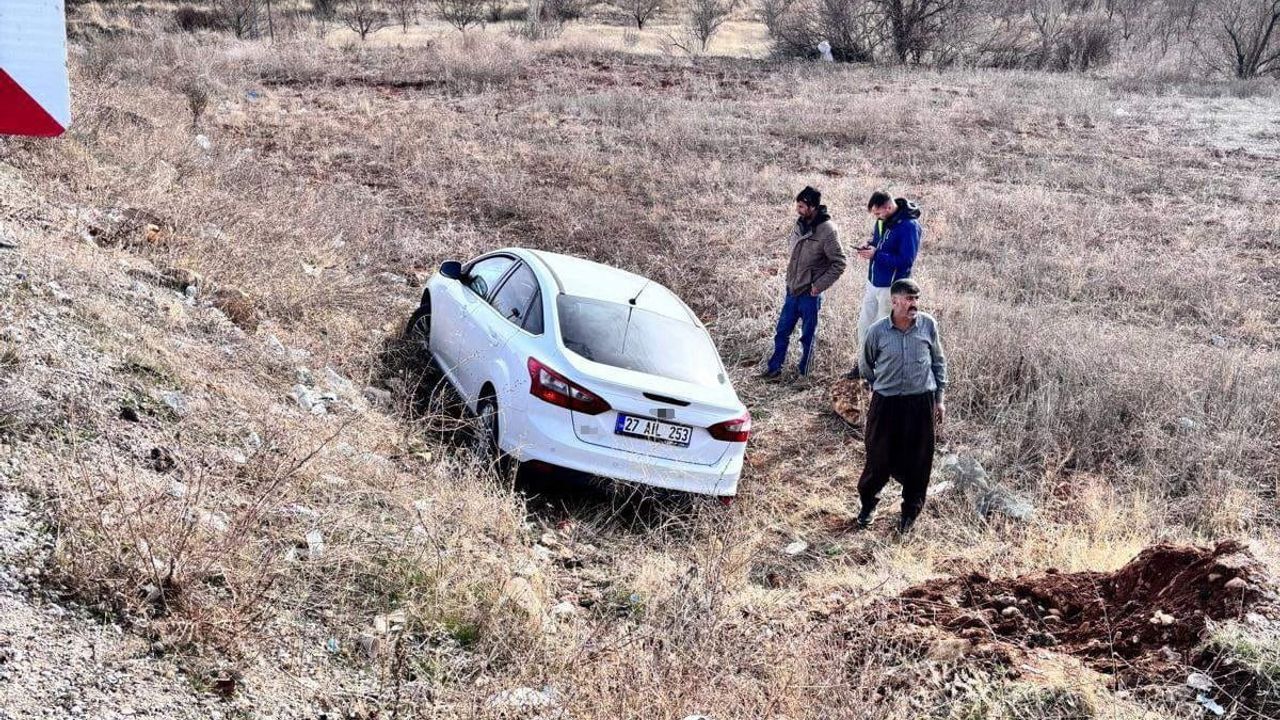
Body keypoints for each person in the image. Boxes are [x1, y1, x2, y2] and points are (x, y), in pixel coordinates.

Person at [853, 278, 947, 535]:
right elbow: (866, 365)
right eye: (908, 299)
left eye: (916, 298)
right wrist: (880, 387)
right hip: (887, 403)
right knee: (878, 458)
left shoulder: (928, 325)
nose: (913, 304)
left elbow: (938, 363)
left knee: (919, 462)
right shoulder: (878, 331)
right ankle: (868, 504)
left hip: (920, 404)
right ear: (894, 301)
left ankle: (909, 514)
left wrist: (939, 399)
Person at [761, 186, 847, 379]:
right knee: (781, 332)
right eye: (797, 205)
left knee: (808, 337)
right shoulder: (799, 224)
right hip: (792, 290)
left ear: (812, 206)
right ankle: (774, 369)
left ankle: (804, 375)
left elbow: (840, 263)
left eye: (801, 206)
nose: (798, 210)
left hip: (810, 294)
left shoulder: (827, 230)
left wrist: (818, 286)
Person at [850, 192, 922, 375]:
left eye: (878, 214)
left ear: (888, 207)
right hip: (873, 283)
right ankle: (863, 366)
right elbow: (878, 242)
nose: (876, 217)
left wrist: (877, 255)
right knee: (864, 327)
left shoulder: (909, 226)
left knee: (884, 332)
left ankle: (882, 372)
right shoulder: (883, 220)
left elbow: (906, 261)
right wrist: (868, 246)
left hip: (891, 289)